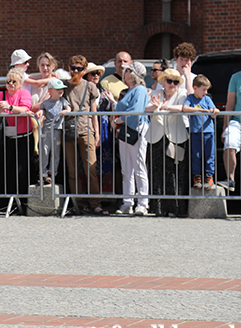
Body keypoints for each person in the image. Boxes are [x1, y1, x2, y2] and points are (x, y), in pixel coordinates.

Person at [62, 55, 104, 214]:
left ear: (85, 70)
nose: (76, 71)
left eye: (79, 69)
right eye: (73, 68)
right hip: (69, 130)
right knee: (72, 171)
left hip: (86, 130)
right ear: (69, 68)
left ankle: (95, 203)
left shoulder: (90, 86)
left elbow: (94, 111)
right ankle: (77, 203)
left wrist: (97, 133)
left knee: (90, 169)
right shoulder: (64, 85)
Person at [145, 68, 189, 217]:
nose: (172, 84)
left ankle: (176, 208)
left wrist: (165, 107)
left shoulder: (181, 93)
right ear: (163, 82)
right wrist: (156, 106)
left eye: (175, 82)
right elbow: (146, 108)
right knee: (156, 171)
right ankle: (158, 208)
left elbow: (182, 108)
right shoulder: (155, 93)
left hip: (176, 137)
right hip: (156, 136)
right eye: (169, 81)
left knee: (175, 173)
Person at [113, 62, 150, 215]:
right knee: (126, 168)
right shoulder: (129, 91)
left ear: (134, 74)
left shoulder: (140, 90)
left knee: (139, 166)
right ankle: (128, 201)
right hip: (127, 130)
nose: (124, 72)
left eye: (127, 70)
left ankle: (142, 202)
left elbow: (135, 111)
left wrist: (118, 120)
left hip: (137, 129)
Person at [0, 67, 34, 197]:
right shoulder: (1, 94)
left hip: (24, 137)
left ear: (20, 84)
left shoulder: (24, 93)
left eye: (14, 82)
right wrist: (0, 107)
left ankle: (23, 198)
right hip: (7, 138)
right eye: (9, 81)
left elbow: (25, 108)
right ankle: (10, 198)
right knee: (7, 169)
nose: (11, 84)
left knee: (21, 169)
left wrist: (9, 107)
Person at [182, 75, 219, 190]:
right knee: (196, 155)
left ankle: (209, 176)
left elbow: (215, 110)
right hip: (195, 131)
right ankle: (197, 176)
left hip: (208, 131)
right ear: (195, 88)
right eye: (203, 89)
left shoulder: (207, 99)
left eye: (207, 89)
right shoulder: (190, 98)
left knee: (210, 154)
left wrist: (214, 111)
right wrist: (200, 110)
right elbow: (185, 108)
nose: (205, 92)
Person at [35, 79, 69, 185]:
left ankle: (52, 173)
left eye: (62, 89)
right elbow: (42, 109)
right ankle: (43, 173)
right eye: (57, 89)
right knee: (45, 151)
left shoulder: (63, 101)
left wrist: (66, 111)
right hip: (47, 129)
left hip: (57, 130)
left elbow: (68, 108)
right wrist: (41, 112)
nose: (61, 91)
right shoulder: (45, 103)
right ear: (50, 91)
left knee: (55, 152)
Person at [222, 50, 241, 192]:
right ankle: (230, 180)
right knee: (230, 142)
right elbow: (230, 104)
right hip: (238, 122)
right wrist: (225, 126)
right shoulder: (236, 78)